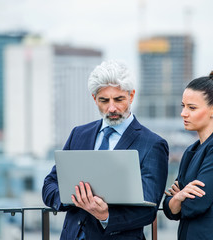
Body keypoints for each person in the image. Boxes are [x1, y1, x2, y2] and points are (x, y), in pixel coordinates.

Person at [42, 60, 169, 240]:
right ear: (95, 99)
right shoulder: (79, 134)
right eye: (104, 100)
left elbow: (149, 210)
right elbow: (49, 185)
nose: (112, 108)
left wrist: (106, 216)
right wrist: (74, 199)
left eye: (119, 99)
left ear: (131, 96)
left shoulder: (152, 144)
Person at [163, 68, 213, 239]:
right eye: (183, 106)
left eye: (192, 107)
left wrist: (179, 196)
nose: (183, 113)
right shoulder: (191, 150)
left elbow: (195, 204)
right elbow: (169, 209)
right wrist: (179, 197)